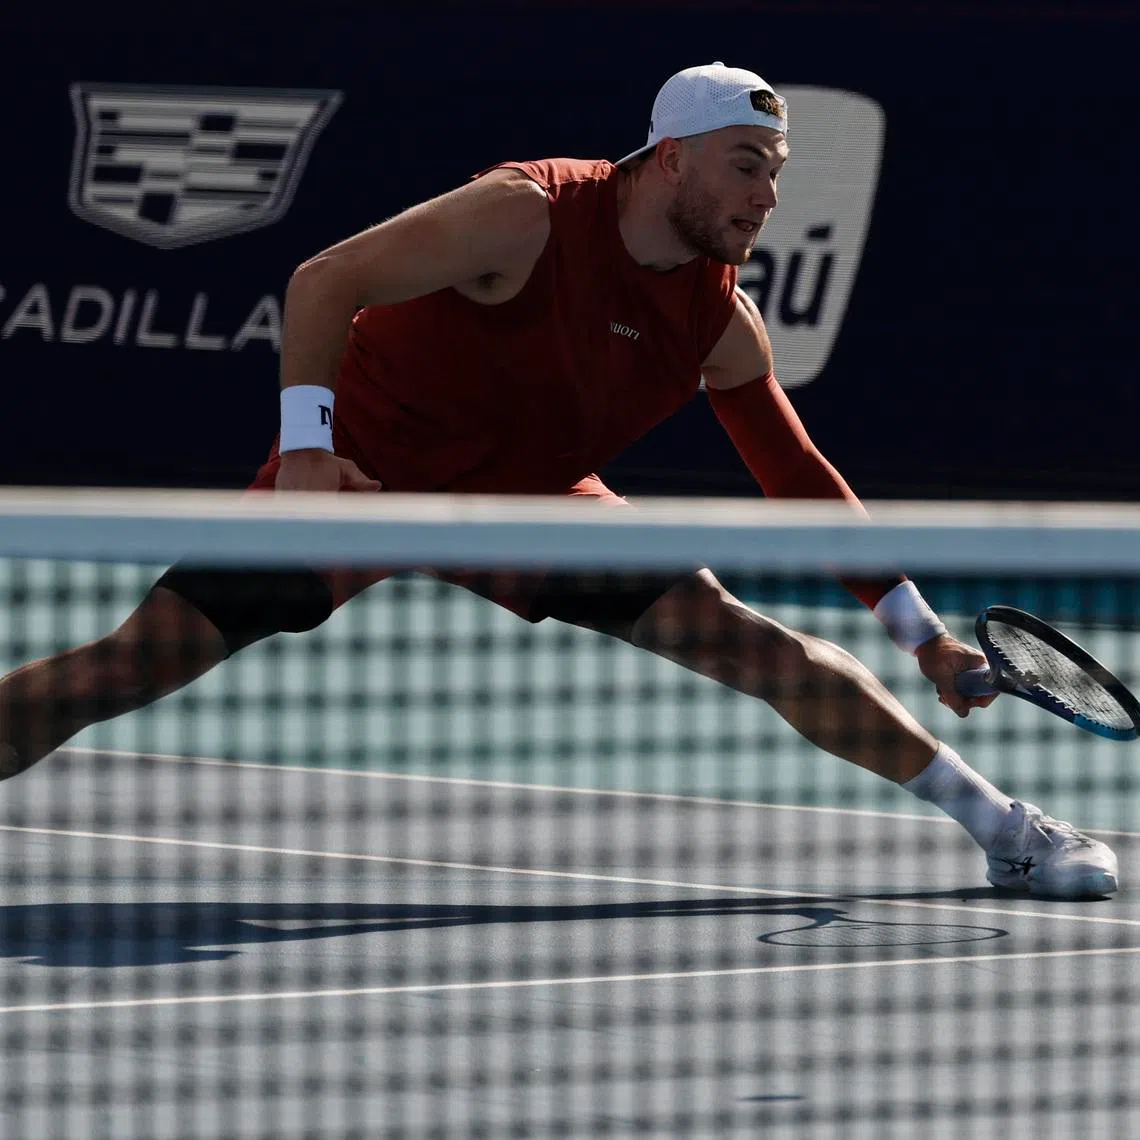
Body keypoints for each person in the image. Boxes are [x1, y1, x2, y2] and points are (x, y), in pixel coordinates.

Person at [0, 63, 1116, 899]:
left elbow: (798, 474)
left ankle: (1006, 832)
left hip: (533, 502)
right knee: (131, 667)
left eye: (777, 175)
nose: (768, 194)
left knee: (751, 641)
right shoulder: (523, 215)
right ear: (669, 156)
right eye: (746, 164)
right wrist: (306, 443)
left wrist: (922, 637)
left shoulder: (720, 320)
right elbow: (322, 278)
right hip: (364, 480)